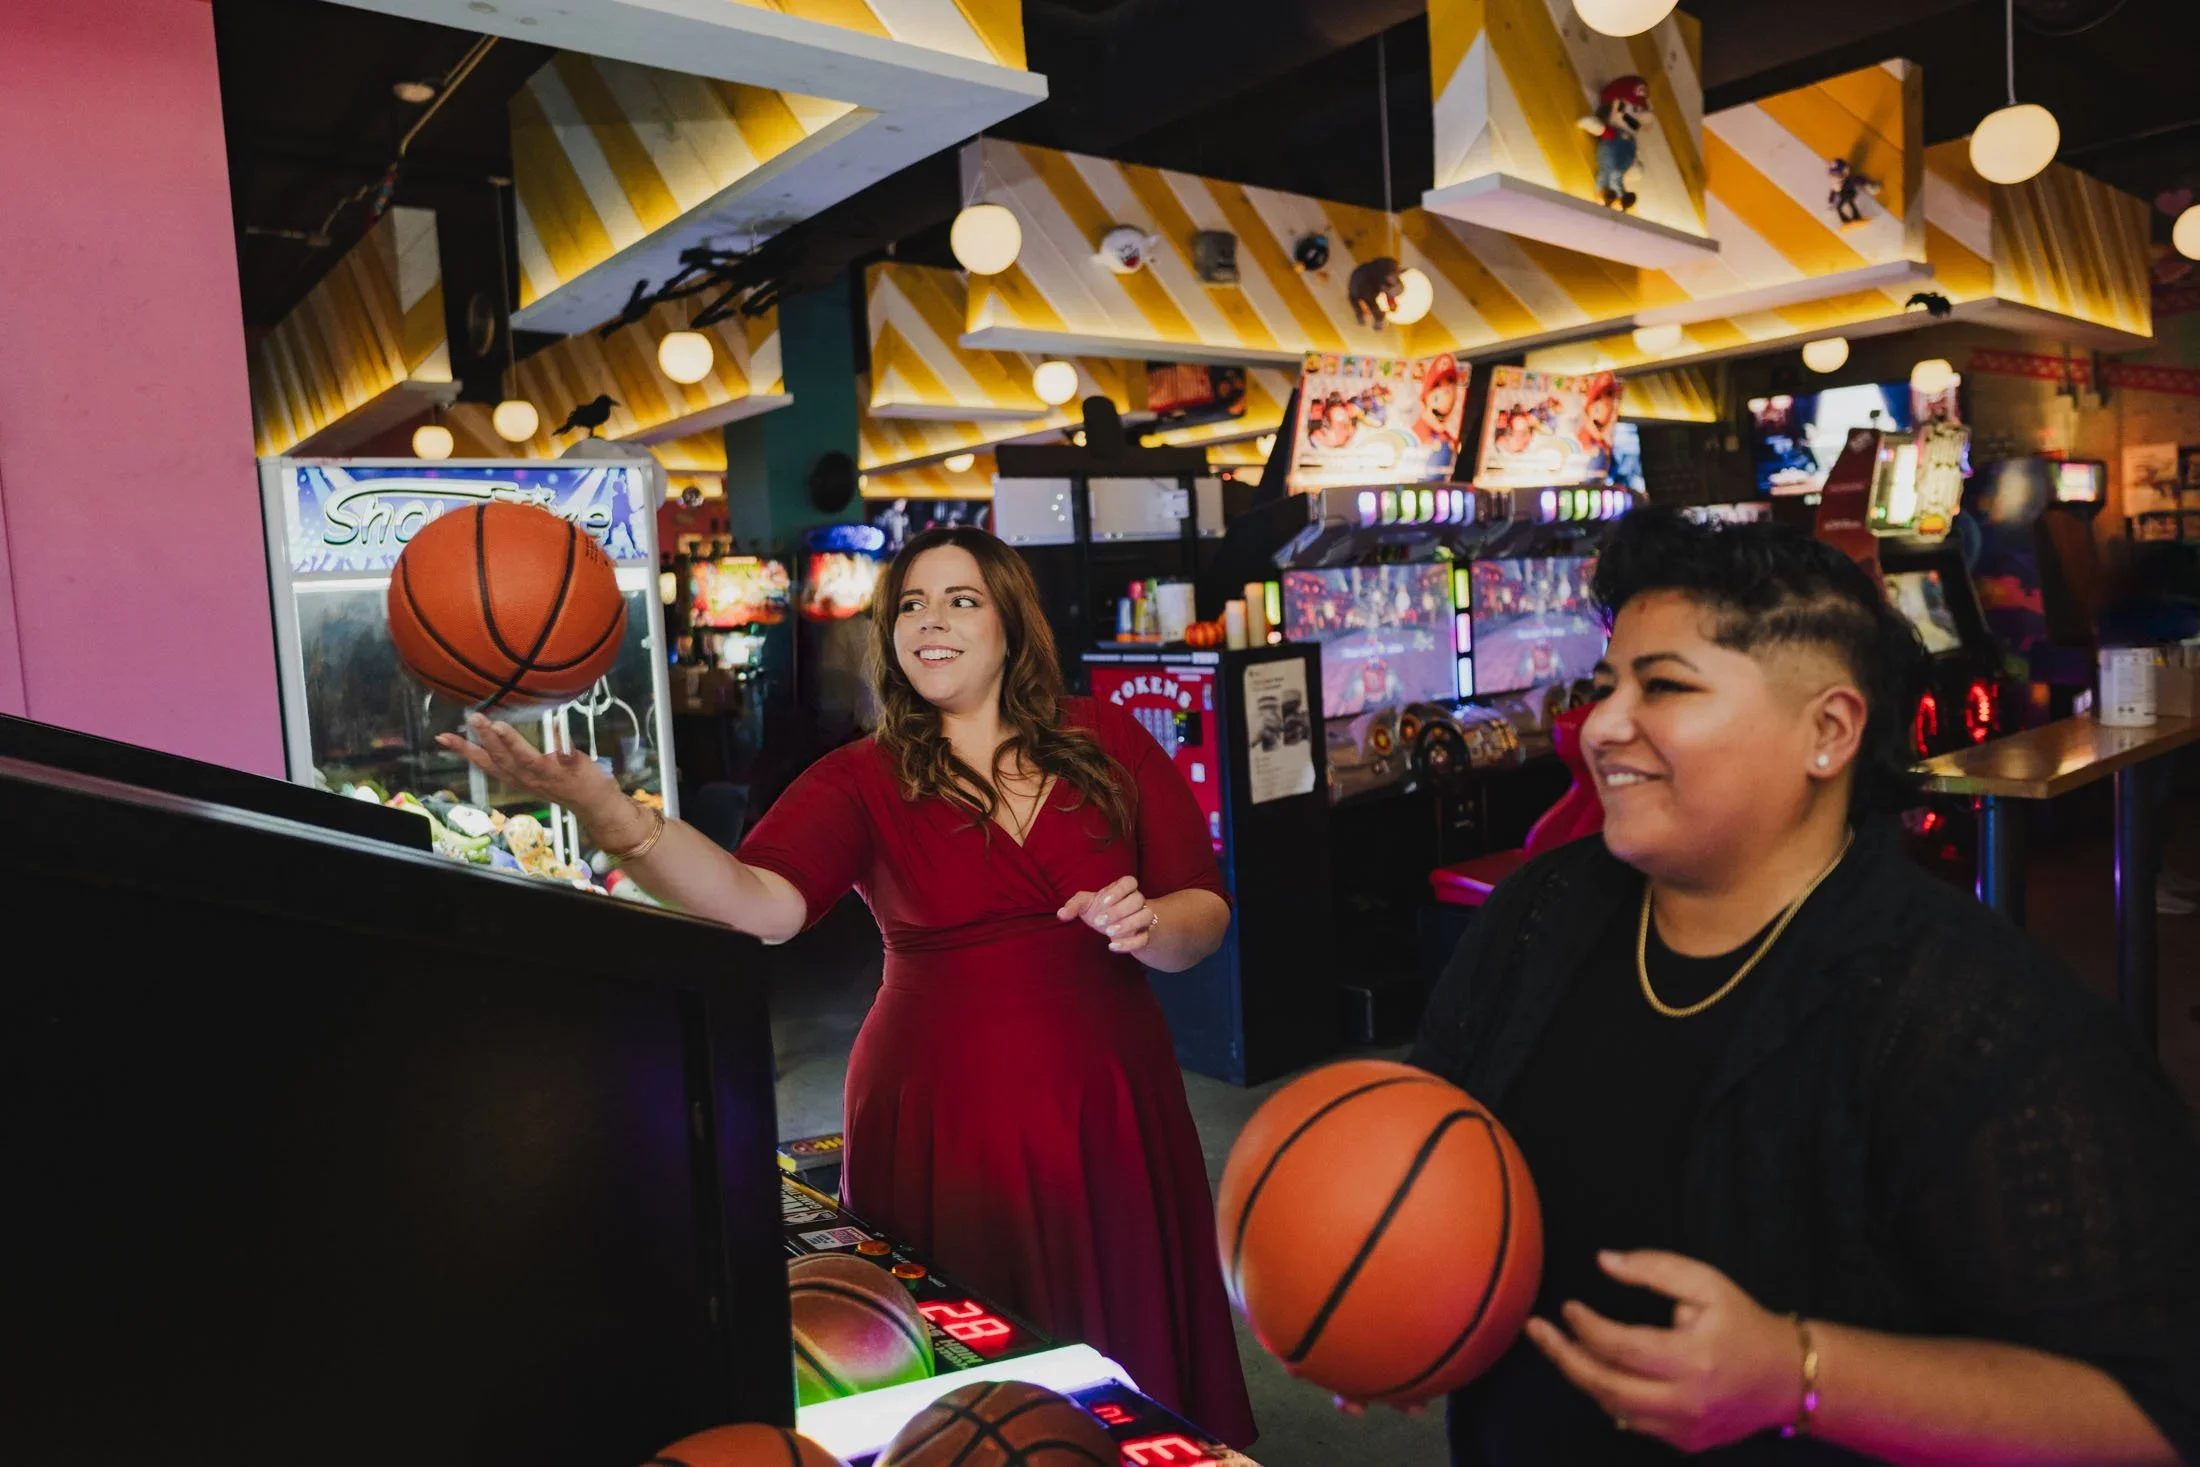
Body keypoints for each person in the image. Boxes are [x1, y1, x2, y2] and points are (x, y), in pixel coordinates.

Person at [1407, 509, 2200, 1465]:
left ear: (1828, 730)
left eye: (1663, 685)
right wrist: (1392, 1296)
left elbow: (2153, 1417)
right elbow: (1427, 1149)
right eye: (1606, 683)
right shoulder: (1541, 911)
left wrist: (1799, 1375)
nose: (1602, 726)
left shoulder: (1975, 1013)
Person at [439, 527, 1257, 1445]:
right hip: (942, 1113)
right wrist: (614, 818)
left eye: (960, 599)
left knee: (1126, 1359)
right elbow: (762, 904)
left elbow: (1204, 913)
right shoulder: (863, 775)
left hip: (1109, 1099)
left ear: (1011, 625)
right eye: (909, 604)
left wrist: (1149, 924)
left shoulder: (1106, 736)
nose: (929, 621)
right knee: (972, 1391)